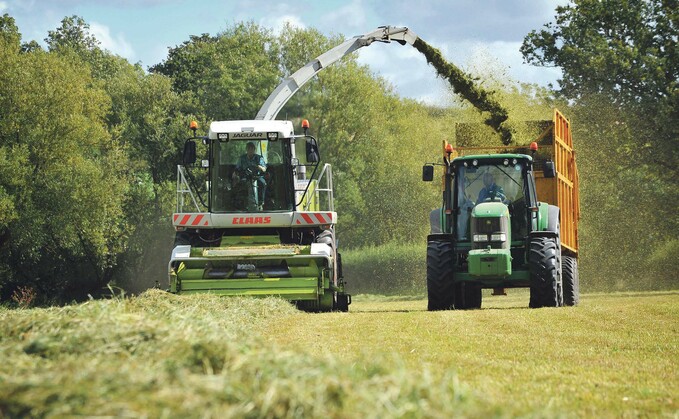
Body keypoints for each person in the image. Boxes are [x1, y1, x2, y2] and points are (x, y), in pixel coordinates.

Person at [233, 142, 267, 209]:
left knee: (263, 183)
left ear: (254, 150)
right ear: (246, 149)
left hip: (257, 177)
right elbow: (237, 169)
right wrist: (235, 175)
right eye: (249, 149)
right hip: (245, 177)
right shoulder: (242, 158)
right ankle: (242, 204)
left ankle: (261, 202)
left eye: (252, 149)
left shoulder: (259, 158)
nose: (250, 150)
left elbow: (264, 169)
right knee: (240, 185)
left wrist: (259, 167)